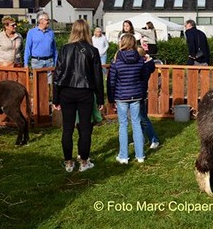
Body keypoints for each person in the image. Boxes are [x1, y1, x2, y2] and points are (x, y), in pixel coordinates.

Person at [53, 19, 104, 173]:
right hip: (85, 92)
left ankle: (68, 163)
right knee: (85, 128)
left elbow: (58, 74)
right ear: (87, 31)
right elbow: (98, 77)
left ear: (73, 30)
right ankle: (83, 161)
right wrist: (100, 98)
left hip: (66, 92)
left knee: (67, 128)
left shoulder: (65, 49)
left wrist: (55, 98)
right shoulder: (92, 50)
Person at [107, 33, 149, 164]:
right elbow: (143, 79)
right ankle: (140, 155)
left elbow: (111, 81)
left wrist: (110, 98)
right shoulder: (140, 60)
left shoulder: (116, 61)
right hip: (136, 95)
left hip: (121, 96)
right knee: (136, 124)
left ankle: (124, 156)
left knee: (123, 125)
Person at [137, 47, 160, 149]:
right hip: (139, 94)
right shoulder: (145, 65)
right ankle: (140, 138)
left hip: (140, 95)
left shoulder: (144, 67)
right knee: (138, 119)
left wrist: (148, 59)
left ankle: (154, 139)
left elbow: (148, 69)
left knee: (143, 118)